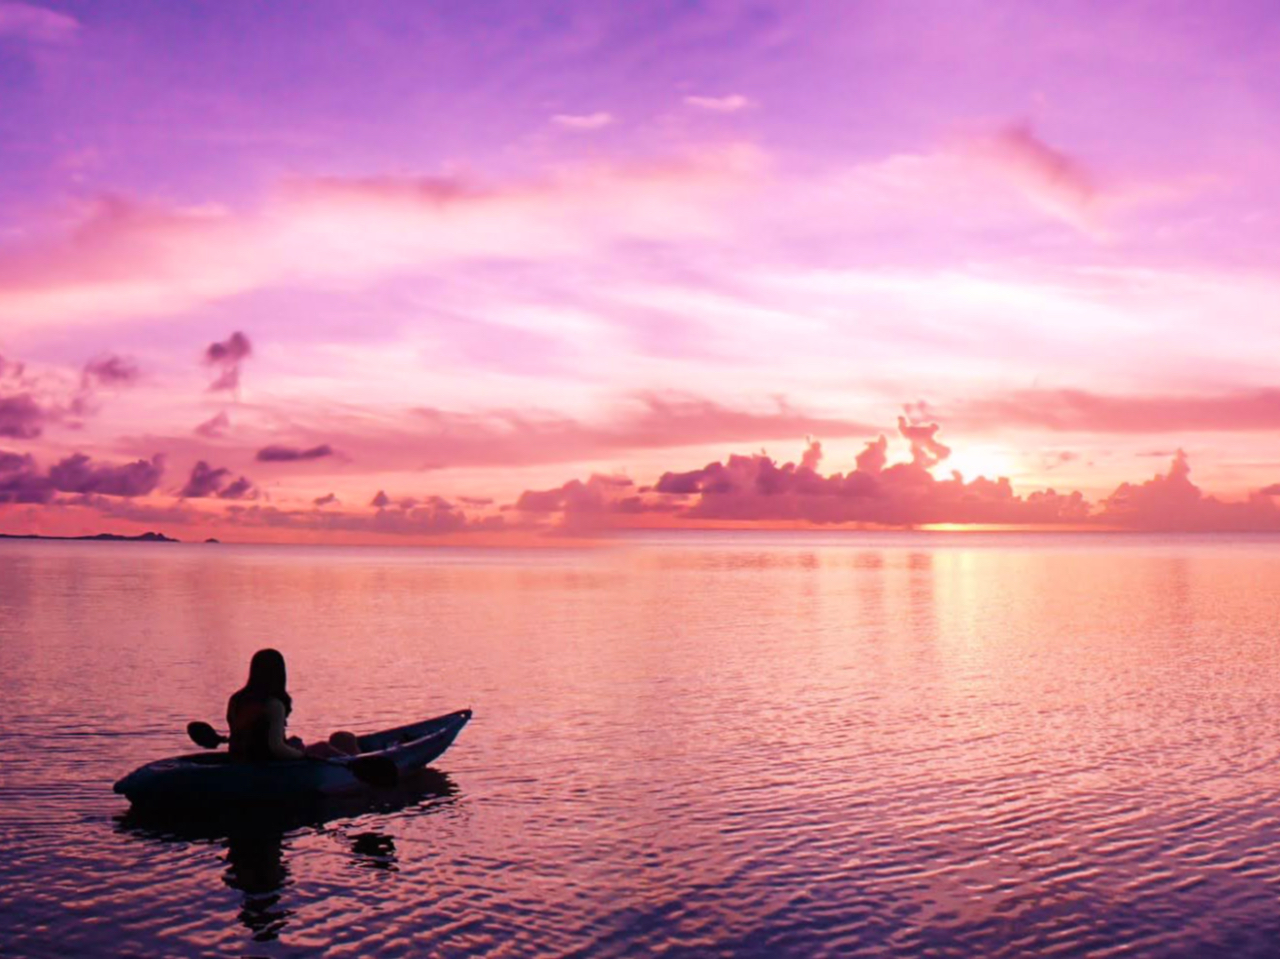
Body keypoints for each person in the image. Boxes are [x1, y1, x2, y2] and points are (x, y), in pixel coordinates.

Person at [227, 648, 360, 761]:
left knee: (298, 741)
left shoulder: (236, 699)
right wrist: (304, 756)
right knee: (325, 746)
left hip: (240, 758)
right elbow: (276, 748)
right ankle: (354, 765)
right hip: (269, 764)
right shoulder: (273, 705)